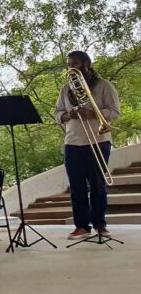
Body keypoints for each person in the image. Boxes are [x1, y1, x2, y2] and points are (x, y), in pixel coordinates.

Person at [55, 50, 121, 240]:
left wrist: (92, 113)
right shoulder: (66, 89)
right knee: (77, 187)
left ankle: (100, 224)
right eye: (69, 65)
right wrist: (68, 115)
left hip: (98, 140)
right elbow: (58, 112)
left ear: (86, 64)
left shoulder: (103, 86)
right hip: (73, 142)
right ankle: (81, 226)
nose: (71, 68)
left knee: (98, 185)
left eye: (74, 64)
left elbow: (115, 111)